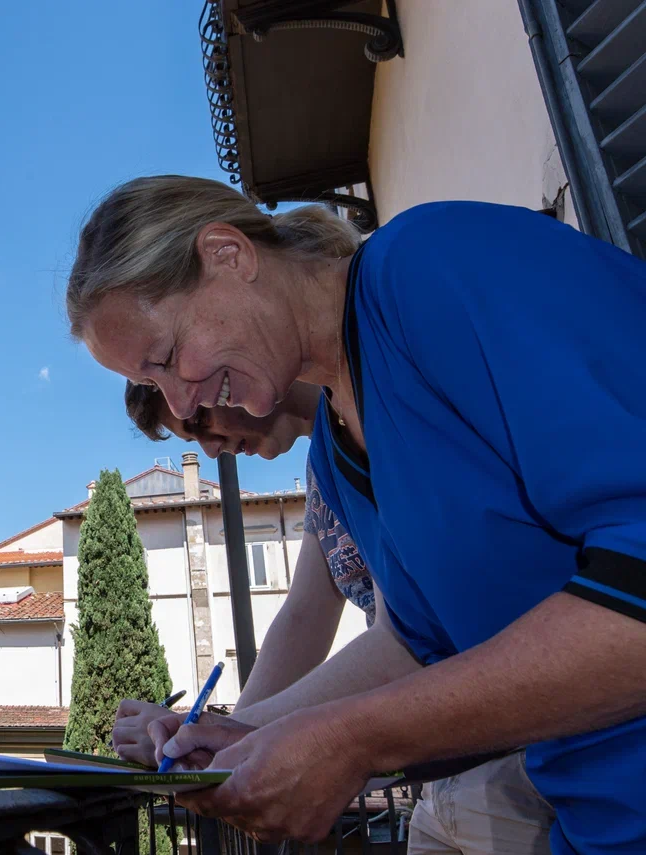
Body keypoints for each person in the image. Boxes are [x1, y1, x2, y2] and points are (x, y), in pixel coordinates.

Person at [65, 175, 646, 854]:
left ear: (228, 254)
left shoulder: (428, 268)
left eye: (165, 358)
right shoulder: (336, 465)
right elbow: (419, 646)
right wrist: (246, 735)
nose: (182, 403)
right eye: (151, 385)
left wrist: (356, 736)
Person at [116, 383, 556, 855]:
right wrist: (224, 736)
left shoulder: (380, 415)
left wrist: (229, 738)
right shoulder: (325, 463)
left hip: (519, 752)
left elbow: (404, 642)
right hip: (441, 769)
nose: (210, 448)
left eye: (201, 419)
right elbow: (303, 615)